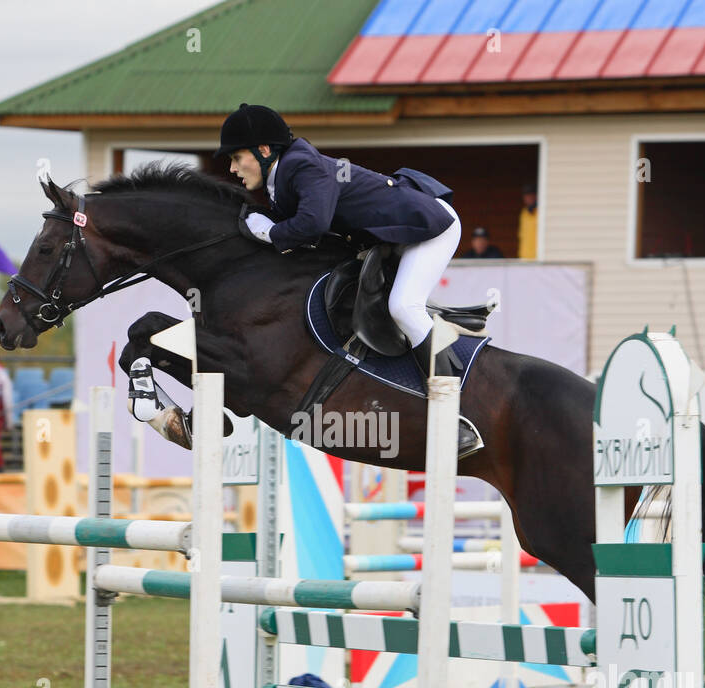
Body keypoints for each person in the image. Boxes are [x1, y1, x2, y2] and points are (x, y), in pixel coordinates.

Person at [215, 104, 483, 457]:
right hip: (394, 235)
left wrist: (270, 233)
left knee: (403, 306)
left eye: (237, 157)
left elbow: (311, 224)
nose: (233, 168)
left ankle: (455, 419)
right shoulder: (282, 178)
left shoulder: (301, 166)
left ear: (264, 151)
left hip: (429, 227)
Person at [517, 184, 538, 260]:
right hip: (524, 258)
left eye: (531, 195)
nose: (528, 198)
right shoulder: (524, 213)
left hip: (538, 258)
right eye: (526, 195)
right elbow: (522, 236)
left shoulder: (542, 212)